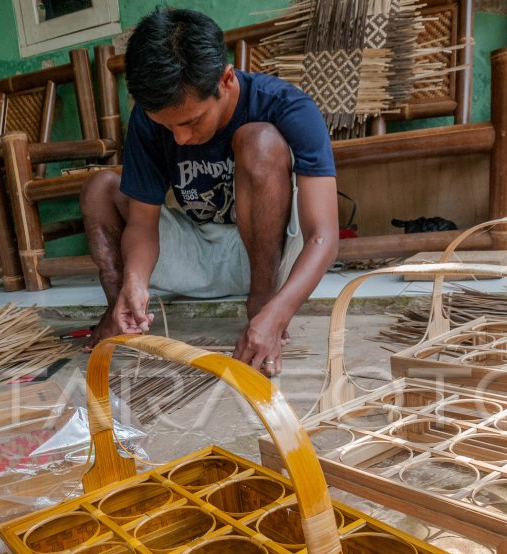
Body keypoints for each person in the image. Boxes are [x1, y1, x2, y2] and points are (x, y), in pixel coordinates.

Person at [80, 7, 338, 376]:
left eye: (191, 121)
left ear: (227, 79)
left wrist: (277, 313)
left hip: (271, 255)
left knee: (259, 141)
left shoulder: (285, 105)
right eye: (167, 128)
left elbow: (324, 237)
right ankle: (123, 309)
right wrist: (135, 281)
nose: (180, 138)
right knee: (99, 188)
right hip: (198, 249)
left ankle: (261, 304)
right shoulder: (150, 117)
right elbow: (141, 224)